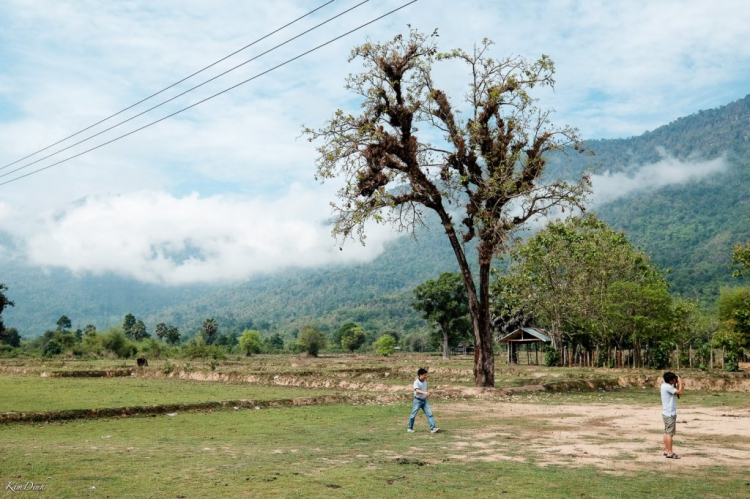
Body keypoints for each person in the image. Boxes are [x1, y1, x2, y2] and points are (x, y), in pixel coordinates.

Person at [407, 368, 439, 433]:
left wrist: (427, 394)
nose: (425, 376)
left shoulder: (425, 382)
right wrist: (424, 393)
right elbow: (416, 390)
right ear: (420, 375)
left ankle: (433, 428)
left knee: (429, 414)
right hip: (417, 401)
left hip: (424, 401)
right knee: (413, 415)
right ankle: (410, 428)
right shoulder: (416, 382)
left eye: (426, 375)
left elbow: (424, 390)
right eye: (424, 375)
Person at [661, 371, 684, 459]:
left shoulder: (664, 385)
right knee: (670, 434)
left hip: (666, 413)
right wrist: (680, 382)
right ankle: (670, 453)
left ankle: (666, 450)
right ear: (671, 380)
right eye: (674, 379)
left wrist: (675, 382)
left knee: (667, 432)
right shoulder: (668, 387)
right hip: (670, 413)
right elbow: (680, 392)